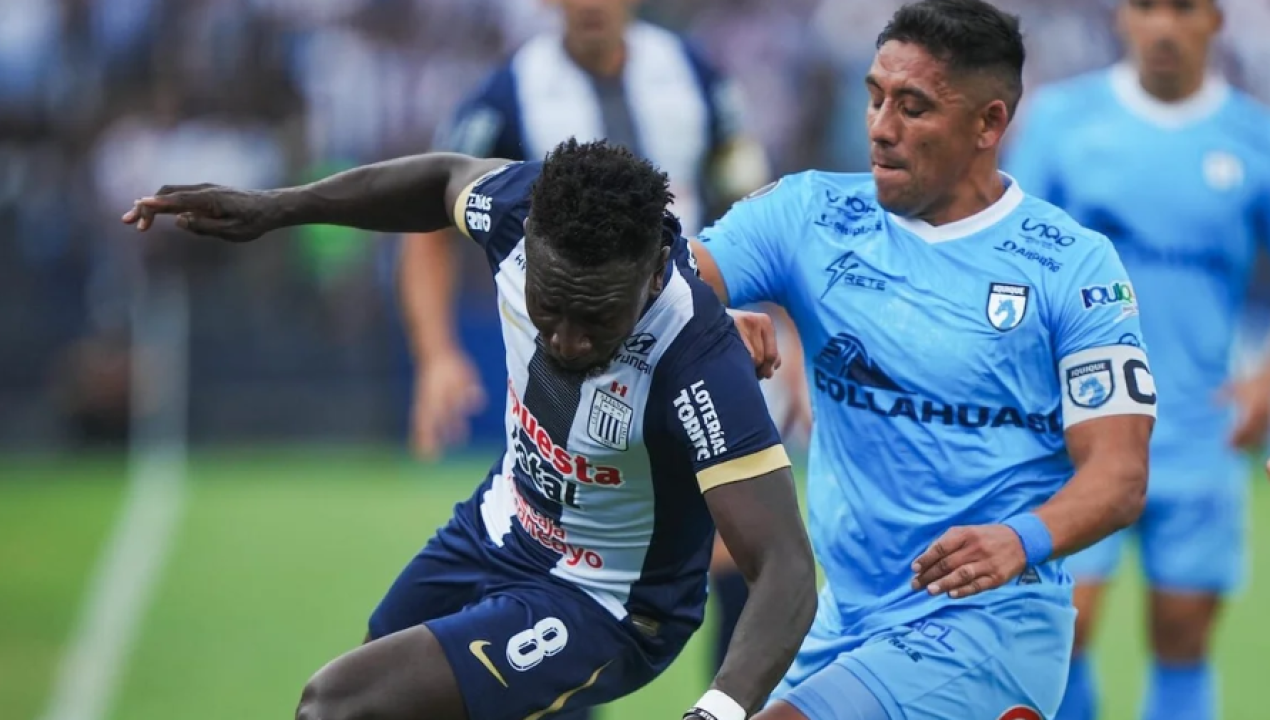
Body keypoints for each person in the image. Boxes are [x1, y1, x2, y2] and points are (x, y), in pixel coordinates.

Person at [121, 139, 817, 720]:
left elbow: (786, 570)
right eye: (549, 305)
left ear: (652, 276)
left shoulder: (699, 356)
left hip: (604, 605)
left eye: (597, 318)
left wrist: (716, 712)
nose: (566, 340)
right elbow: (441, 180)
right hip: (497, 527)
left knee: (339, 705)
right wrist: (278, 207)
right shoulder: (517, 208)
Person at [686, 1, 1159, 718]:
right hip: (841, 619)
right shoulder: (810, 215)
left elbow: (1119, 475)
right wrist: (703, 319)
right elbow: (654, 283)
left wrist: (1020, 539)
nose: (880, 127)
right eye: (875, 97)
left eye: (913, 108)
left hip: (990, 621)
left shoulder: (1072, 266)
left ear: (988, 124)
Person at [396, 0, 792, 690]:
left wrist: (773, 325)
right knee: (575, 564)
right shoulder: (508, 92)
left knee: (743, 548)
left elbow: (753, 203)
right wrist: (436, 355)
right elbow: (432, 214)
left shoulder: (693, 73)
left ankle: (734, 702)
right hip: (574, 371)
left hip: (689, 356)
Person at [1003, 1, 1270, 719]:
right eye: (1147, 6)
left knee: (1183, 635)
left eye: (1183, 8)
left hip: (1200, 428)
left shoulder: (1254, 139)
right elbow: (1008, 254)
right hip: (1076, 429)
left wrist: (1266, 380)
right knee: (1066, 627)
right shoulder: (1062, 122)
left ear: (1214, 20)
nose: (1163, 27)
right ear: (1122, 17)